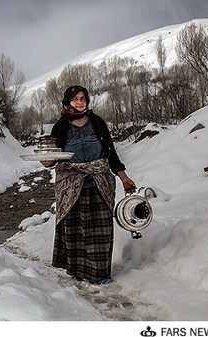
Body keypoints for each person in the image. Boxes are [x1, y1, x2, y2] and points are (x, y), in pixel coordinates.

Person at [40, 85, 136, 284]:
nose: (80, 102)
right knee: (75, 229)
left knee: (101, 230)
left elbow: (111, 153)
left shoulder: (97, 122)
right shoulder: (61, 126)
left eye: (83, 98)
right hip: (71, 184)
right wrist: (48, 161)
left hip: (99, 182)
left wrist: (124, 177)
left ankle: (101, 274)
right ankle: (76, 270)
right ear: (67, 102)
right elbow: (53, 155)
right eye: (75, 99)